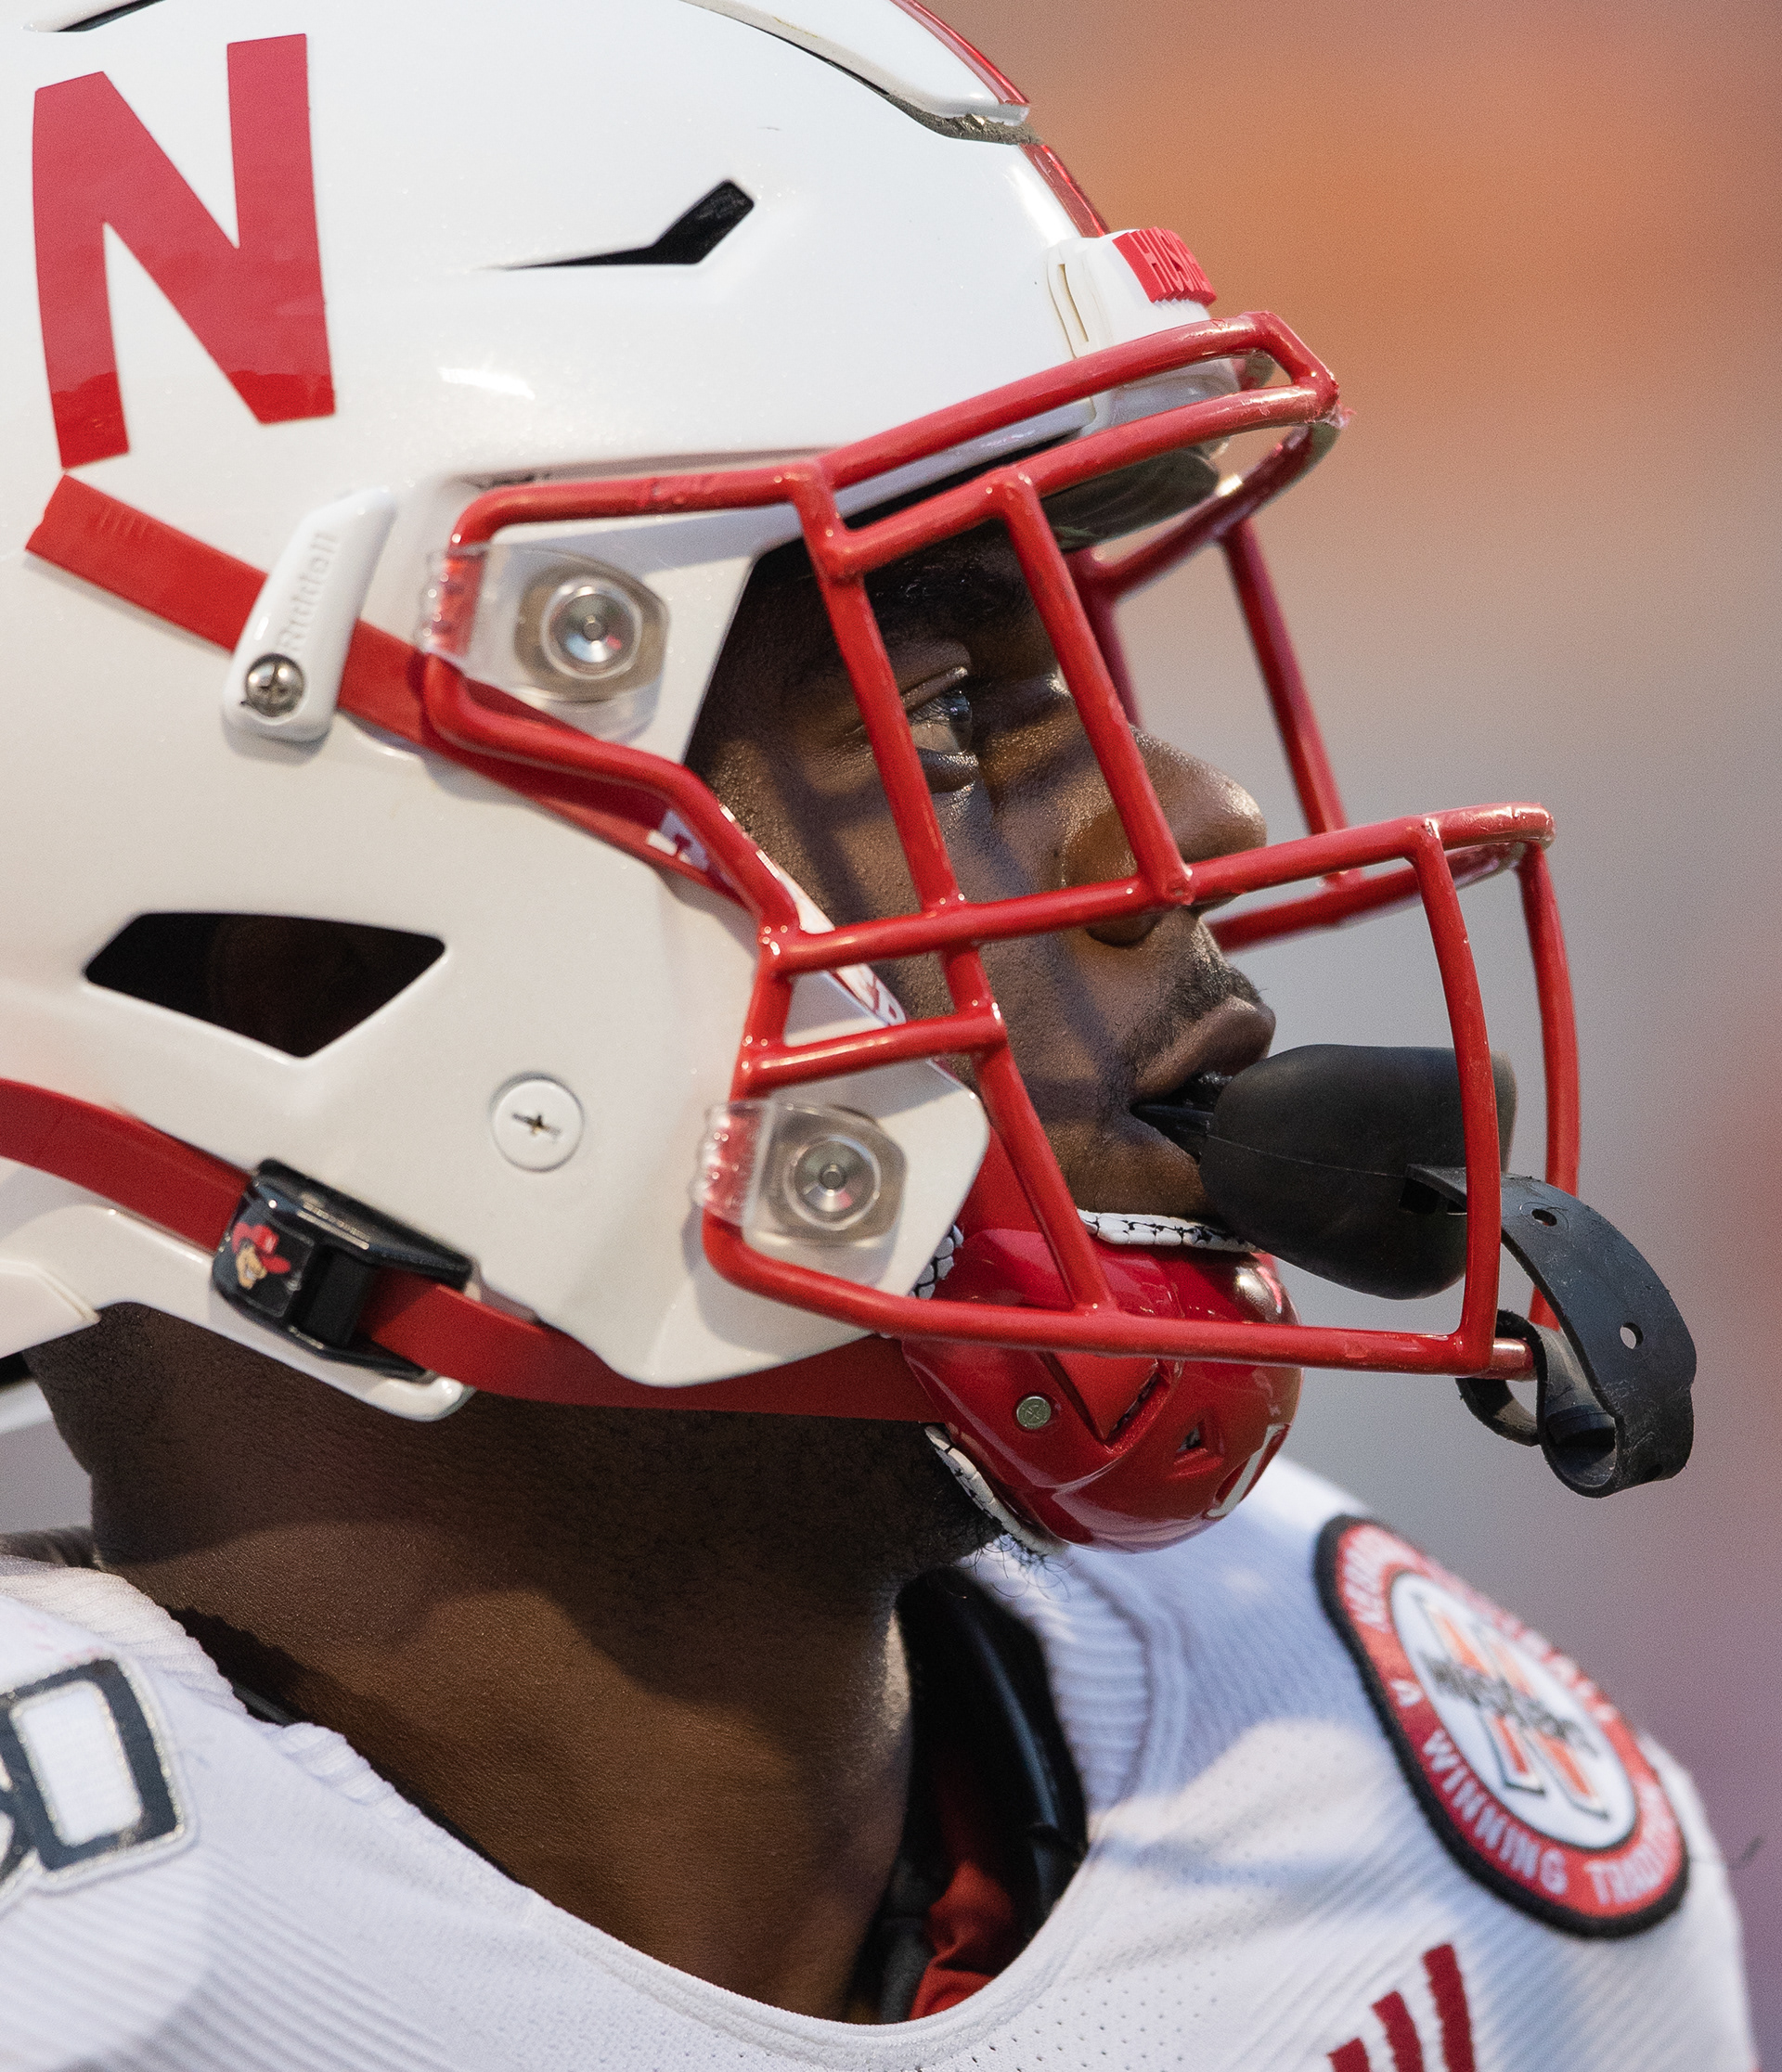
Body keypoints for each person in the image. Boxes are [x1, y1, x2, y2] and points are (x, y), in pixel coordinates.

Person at [0, 0, 1752, 2064]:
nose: (1199, 822)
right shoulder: (103, 1974)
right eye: (936, 714)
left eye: (1082, 654)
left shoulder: (1382, 1830)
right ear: (297, 978)